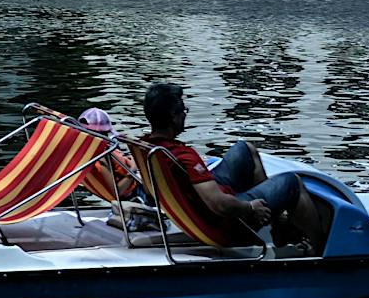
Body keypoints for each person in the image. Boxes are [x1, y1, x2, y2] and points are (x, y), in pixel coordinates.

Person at [139, 80, 326, 256]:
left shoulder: (148, 147)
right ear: (173, 117)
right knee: (292, 183)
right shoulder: (184, 156)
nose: (185, 115)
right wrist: (250, 208)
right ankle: (321, 251)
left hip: (200, 204)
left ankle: (278, 225)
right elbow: (219, 204)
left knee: (245, 149)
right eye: (183, 111)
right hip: (225, 222)